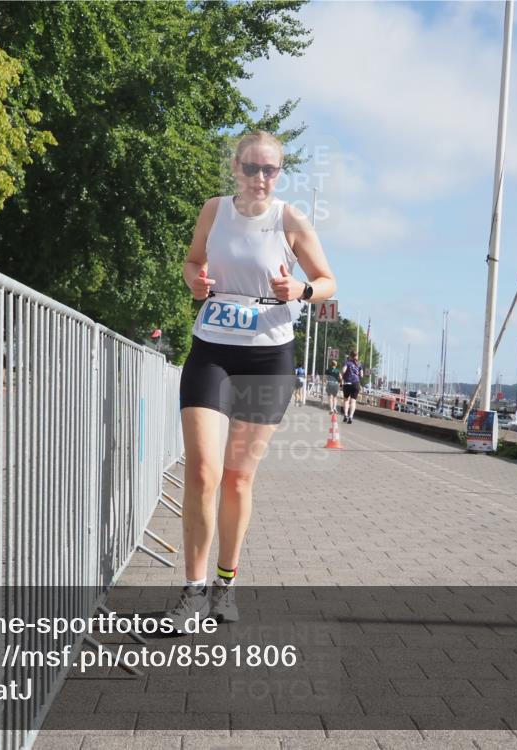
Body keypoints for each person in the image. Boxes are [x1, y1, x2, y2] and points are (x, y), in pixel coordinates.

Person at [172, 130, 336, 629]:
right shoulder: (213, 210)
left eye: (269, 169)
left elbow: (328, 280)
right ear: (235, 167)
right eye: (251, 167)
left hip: (268, 357)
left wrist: (301, 288)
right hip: (212, 352)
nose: (259, 178)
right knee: (203, 472)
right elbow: (193, 260)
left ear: (280, 173)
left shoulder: (290, 219)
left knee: (238, 477)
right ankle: (193, 591)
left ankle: (226, 583)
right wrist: (194, 280)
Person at [341, 350, 363, 424]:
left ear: (350, 356)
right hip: (355, 383)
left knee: (346, 400)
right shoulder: (359, 364)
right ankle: (351, 417)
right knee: (353, 401)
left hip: (347, 383)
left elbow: (343, 371)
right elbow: (362, 375)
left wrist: (343, 376)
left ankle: (345, 415)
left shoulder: (347, 363)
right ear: (357, 356)